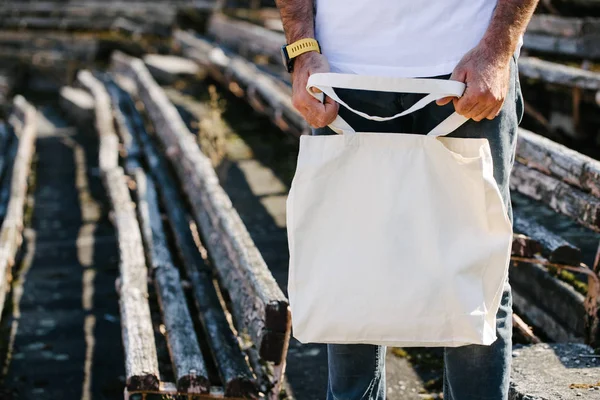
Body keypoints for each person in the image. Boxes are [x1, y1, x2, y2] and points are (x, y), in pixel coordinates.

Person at [274, 1, 539, 399]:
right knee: (347, 268)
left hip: (467, 68)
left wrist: (498, 49)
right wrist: (301, 48)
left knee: (477, 272)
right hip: (342, 73)